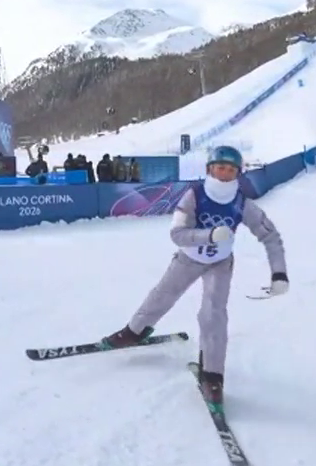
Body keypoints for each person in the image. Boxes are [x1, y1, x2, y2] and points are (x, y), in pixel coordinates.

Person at [100, 145, 290, 412]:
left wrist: (279, 272)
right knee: (162, 295)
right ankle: (134, 332)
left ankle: (213, 377)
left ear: (238, 173)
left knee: (213, 313)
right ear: (209, 169)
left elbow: (270, 235)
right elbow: (177, 234)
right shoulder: (195, 195)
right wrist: (208, 235)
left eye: (230, 170)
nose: (224, 174)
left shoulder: (241, 203)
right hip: (189, 258)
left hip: (220, 263)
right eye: (219, 168)